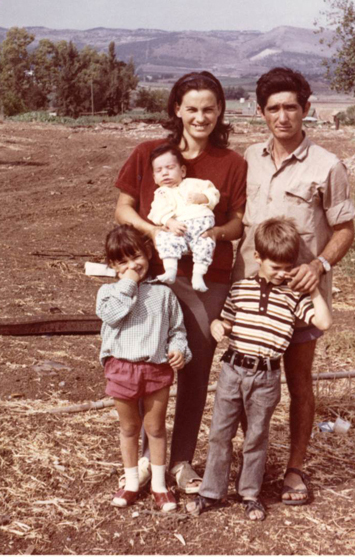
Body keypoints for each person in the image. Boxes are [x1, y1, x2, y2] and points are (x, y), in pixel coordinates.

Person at [114, 71, 247, 493]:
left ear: (220, 110)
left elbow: (237, 222)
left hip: (209, 278)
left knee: (195, 362)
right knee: (146, 363)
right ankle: (143, 463)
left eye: (209, 108)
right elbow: (123, 209)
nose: (200, 117)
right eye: (192, 108)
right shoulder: (149, 154)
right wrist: (155, 231)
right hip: (156, 275)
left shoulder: (232, 163)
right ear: (177, 109)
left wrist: (213, 234)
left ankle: (181, 462)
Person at [233, 67, 355, 505]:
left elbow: (345, 230)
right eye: (273, 109)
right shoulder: (248, 157)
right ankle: (255, 463)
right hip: (252, 295)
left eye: (291, 107)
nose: (282, 117)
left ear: (306, 109)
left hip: (300, 297)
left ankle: (295, 468)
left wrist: (319, 265)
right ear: (260, 112)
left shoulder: (327, 165)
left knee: (299, 382)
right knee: (247, 381)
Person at [186, 217, 332, 521]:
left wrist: (314, 290)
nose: (282, 274)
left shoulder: (293, 297)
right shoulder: (240, 289)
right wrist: (218, 325)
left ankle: (250, 493)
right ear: (257, 258)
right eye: (275, 267)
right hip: (232, 370)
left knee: (256, 436)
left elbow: (324, 322)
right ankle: (211, 491)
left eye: (287, 267)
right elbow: (227, 321)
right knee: (220, 433)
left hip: (266, 376)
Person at [96, 224, 192, 511]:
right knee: (129, 428)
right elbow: (112, 316)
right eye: (122, 262)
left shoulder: (163, 294)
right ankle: (131, 483)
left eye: (136, 257)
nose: (132, 266)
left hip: (156, 369)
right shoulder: (108, 292)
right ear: (112, 265)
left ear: (148, 253)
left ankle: (159, 485)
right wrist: (128, 283)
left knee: (156, 428)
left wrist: (179, 349)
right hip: (121, 368)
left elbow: (177, 330)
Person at [148, 142, 220, 292]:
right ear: (154, 178)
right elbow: (157, 212)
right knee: (165, 238)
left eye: (170, 168)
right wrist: (169, 221)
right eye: (159, 171)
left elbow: (213, 192)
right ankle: (170, 270)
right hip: (180, 228)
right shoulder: (161, 193)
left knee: (206, 244)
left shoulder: (195, 184)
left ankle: (198, 275)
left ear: (182, 171)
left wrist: (204, 198)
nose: (165, 173)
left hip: (201, 226)